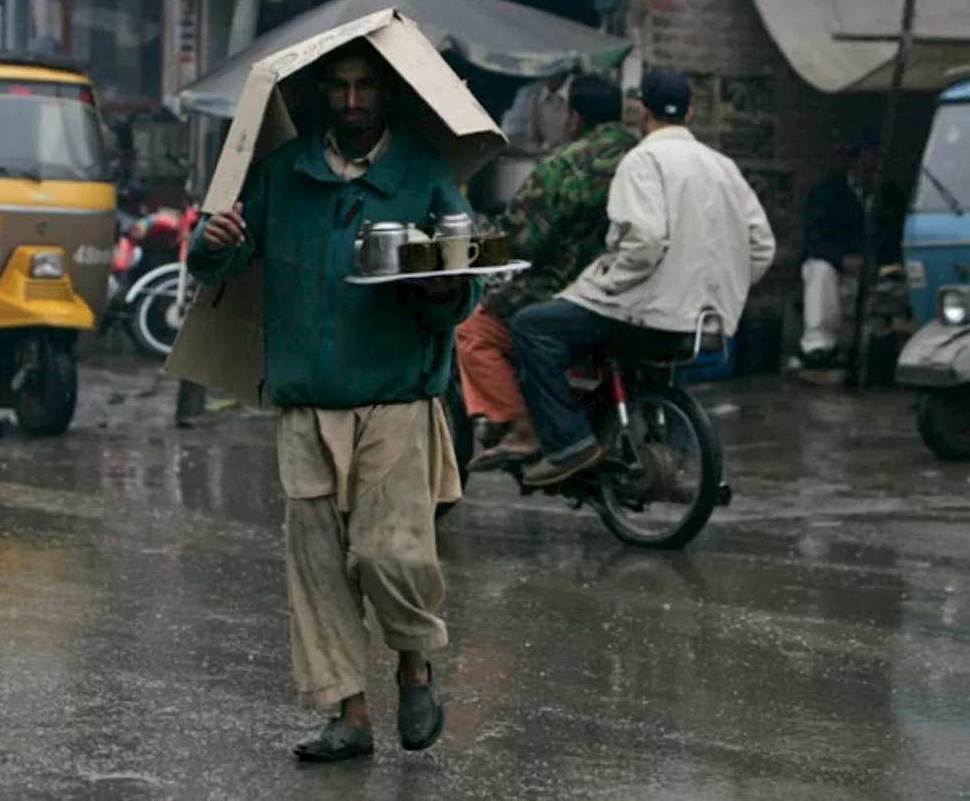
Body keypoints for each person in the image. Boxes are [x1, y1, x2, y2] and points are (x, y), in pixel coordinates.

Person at [186, 40, 480, 763]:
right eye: (340, 88)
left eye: (366, 87)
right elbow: (218, 259)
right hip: (306, 402)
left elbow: (462, 282)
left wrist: (443, 288)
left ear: (387, 92)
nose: (353, 101)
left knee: (390, 552)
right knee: (318, 567)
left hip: (396, 395)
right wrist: (210, 237)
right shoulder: (284, 172)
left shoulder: (425, 172)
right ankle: (349, 713)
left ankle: (414, 665)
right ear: (321, 95)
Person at [510, 69, 776, 487]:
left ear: (642, 112)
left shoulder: (643, 160)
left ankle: (569, 444)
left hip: (640, 313)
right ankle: (672, 456)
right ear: (689, 113)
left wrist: (607, 283)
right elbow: (761, 246)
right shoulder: (723, 167)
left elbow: (645, 242)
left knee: (530, 327)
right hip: (701, 319)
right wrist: (722, 286)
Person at [455, 73, 637, 470]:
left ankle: (523, 429)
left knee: (473, 331)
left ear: (574, 118)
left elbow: (521, 240)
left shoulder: (567, 164)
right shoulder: (643, 155)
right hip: (635, 291)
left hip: (567, 291)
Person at [798, 137, 905, 368]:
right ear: (852, 160)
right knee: (819, 270)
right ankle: (818, 345)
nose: (872, 168)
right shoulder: (828, 193)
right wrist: (844, 259)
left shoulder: (890, 196)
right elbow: (814, 240)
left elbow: (895, 236)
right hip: (839, 270)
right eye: (867, 160)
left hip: (877, 273)